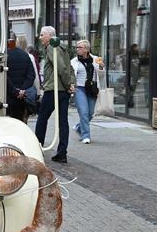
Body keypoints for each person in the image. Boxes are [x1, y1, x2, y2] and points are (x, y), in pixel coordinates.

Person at [34, 26, 76, 163]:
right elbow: (69, 68)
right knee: (63, 122)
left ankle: (37, 147)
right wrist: (70, 84)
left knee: (42, 118)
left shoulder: (52, 47)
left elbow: (63, 68)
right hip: (62, 90)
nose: (40, 38)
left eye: (42, 35)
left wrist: (68, 84)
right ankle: (62, 152)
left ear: (49, 36)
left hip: (54, 89)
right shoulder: (63, 48)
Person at [71, 39, 104, 144]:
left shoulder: (95, 59)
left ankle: (79, 127)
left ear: (86, 49)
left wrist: (102, 67)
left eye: (79, 47)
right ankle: (85, 136)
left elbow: (102, 76)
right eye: (76, 47)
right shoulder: (74, 61)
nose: (77, 49)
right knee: (84, 112)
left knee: (90, 113)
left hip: (92, 89)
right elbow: (71, 75)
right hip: (79, 89)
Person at [6, 36, 36, 122]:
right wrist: (22, 90)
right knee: (20, 121)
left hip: (8, 95)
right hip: (22, 97)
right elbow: (31, 75)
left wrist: (15, 91)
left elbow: (4, 76)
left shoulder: (5, 55)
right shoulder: (25, 55)